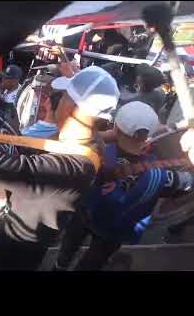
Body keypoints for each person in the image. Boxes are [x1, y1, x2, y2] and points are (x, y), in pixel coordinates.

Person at [0, 61, 120, 270]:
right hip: (35, 230)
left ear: (74, 109)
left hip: (18, 248)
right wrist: (78, 80)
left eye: (63, 97)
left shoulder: (68, 168)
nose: (57, 102)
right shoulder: (90, 142)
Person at [53, 102, 194, 271]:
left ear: (116, 128)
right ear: (147, 134)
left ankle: (59, 266)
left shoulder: (92, 154)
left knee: (69, 246)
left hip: (84, 215)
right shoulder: (162, 176)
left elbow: (80, 140)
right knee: (95, 260)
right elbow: (188, 183)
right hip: (115, 229)